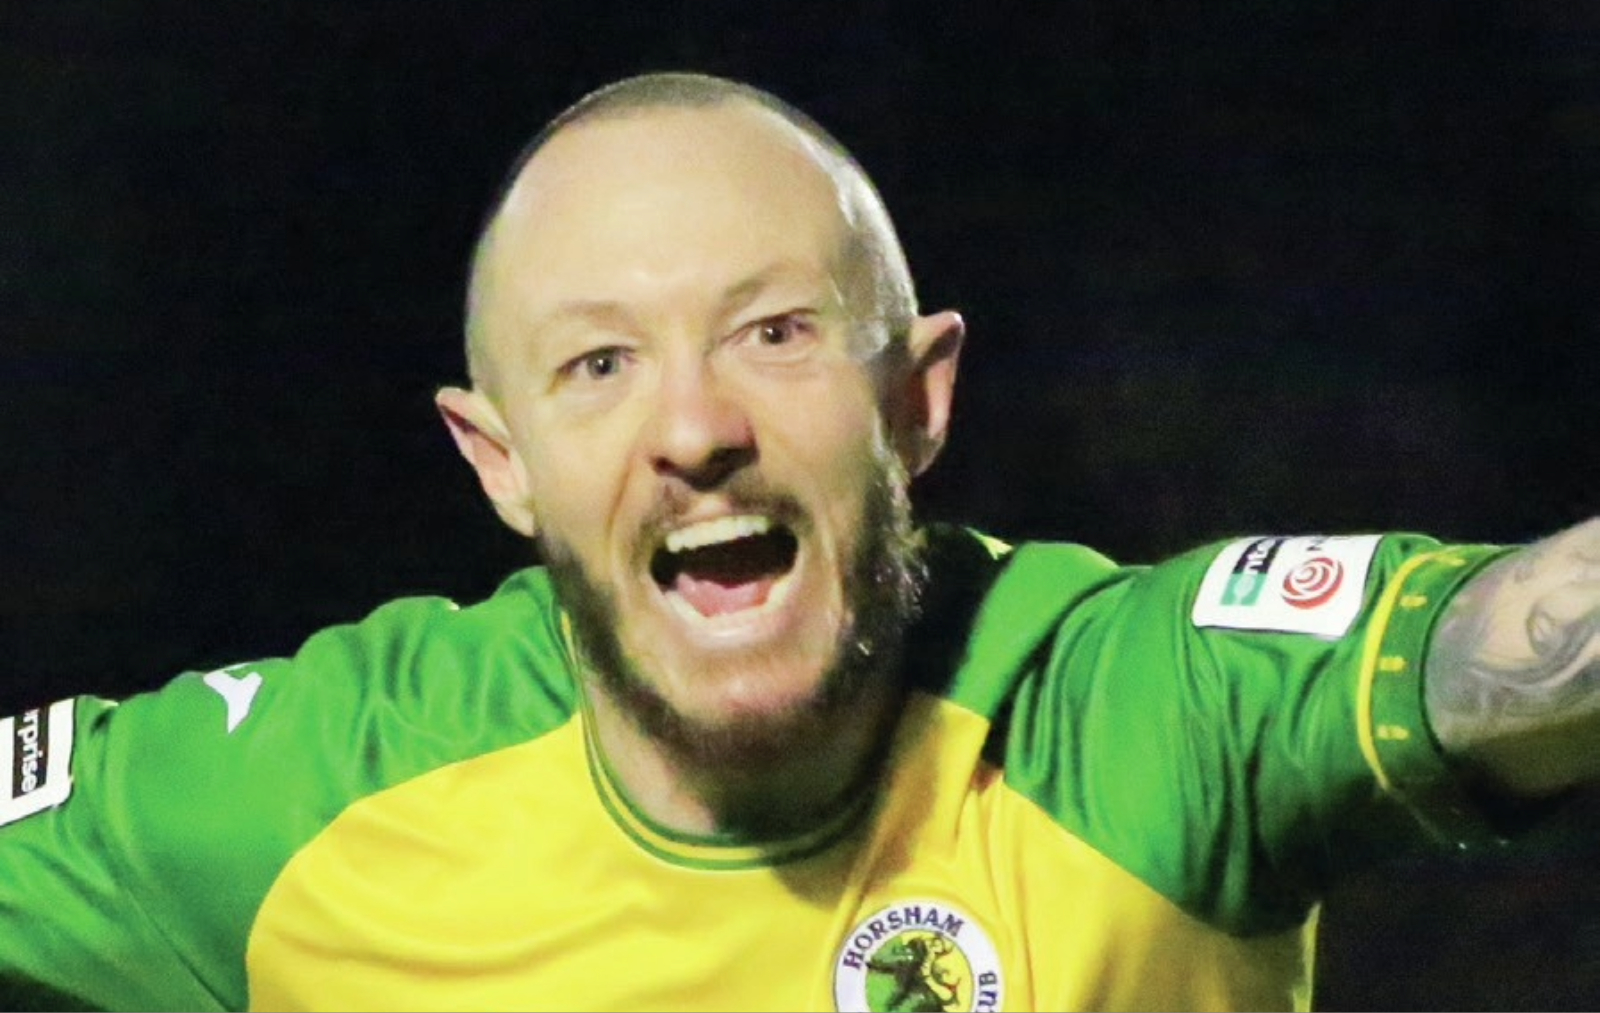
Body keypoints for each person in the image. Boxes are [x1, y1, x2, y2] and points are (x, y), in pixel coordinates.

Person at [0, 70, 1594, 1013]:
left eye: (774, 330)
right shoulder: (300, 803)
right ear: (502, 464)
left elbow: (1504, 642)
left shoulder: (1142, 724)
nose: (696, 428)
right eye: (599, 364)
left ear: (916, 401)